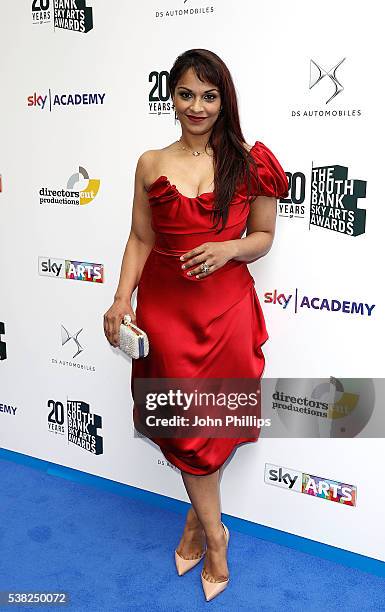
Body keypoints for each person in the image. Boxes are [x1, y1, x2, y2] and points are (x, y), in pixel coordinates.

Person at [103, 48, 288, 602]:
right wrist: (119, 300)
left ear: (224, 99)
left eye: (209, 95)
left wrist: (227, 249)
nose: (197, 106)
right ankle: (216, 536)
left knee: (209, 427)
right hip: (165, 315)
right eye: (186, 94)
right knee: (186, 425)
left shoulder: (251, 160)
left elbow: (263, 237)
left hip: (226, 311)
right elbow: (141, 238)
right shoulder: (151, 162)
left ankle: (195, 523)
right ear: (171, 96)